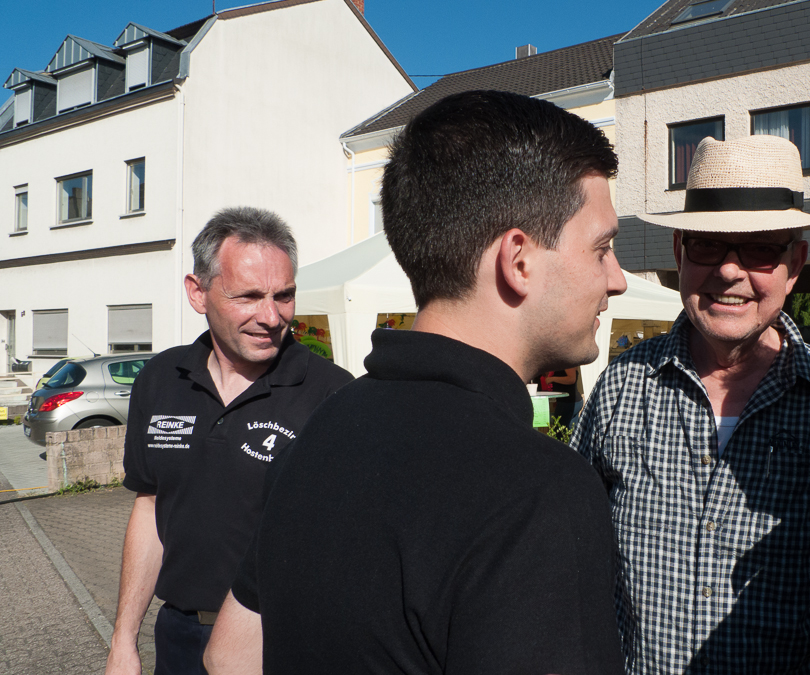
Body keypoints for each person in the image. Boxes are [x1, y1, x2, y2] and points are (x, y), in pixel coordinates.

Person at [203, 90, 627, 675]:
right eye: (602, 248)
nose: (618, 278)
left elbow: (228, 654)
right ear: (519, 261)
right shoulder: (539, 491)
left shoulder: (321, 426)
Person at [571, 135, 810, 674]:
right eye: (708, 245)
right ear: (678, 252)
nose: (729, 272)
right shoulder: (622, 383)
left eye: (761, 247)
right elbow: (569, 556)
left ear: (795, 263)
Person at [107, 208, 354, 675]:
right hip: (178, 636)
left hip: (281, 640)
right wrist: (124, 639)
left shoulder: (334, 394)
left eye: (284, 296)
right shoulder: (161, 379)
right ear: (197, 293)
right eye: (248, 296)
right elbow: (151, 505)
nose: (271, 316)